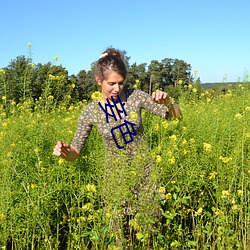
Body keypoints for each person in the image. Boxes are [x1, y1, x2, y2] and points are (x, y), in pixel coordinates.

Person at [53, 47, 182, 247]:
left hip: (146, 175)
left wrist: (169, 102)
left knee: (150, 234)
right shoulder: (91, 111)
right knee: (120, 237)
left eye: (121, 83)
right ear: (99, 81)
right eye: (111, 83)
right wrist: (65, 152)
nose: (116, 88)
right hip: (115, 180)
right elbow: (76, 151)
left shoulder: (135, 97)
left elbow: (175, 118)